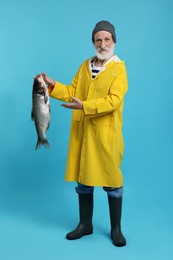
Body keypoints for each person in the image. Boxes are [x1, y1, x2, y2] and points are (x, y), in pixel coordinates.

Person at [42, 20, 128, 247]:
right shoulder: (85, 66)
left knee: (112, 181)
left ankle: (116, 229)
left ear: (114, 41)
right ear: (93, 42)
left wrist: (85, 107)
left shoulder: (119, 68)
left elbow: (114, 100)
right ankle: (85, 224)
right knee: (83, 180)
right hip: (83, 133)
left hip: (106, 135)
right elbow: (72, 91)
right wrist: (52, 86)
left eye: (107, 39)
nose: (102, 43)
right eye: (98, 39)